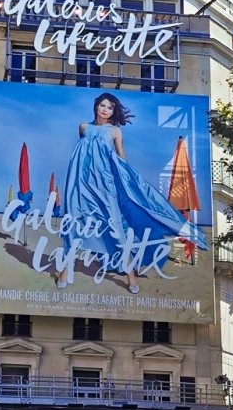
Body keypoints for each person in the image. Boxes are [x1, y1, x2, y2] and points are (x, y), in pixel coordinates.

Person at [56, 93, 208, 295]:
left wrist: (132, 182)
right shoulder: (84, 127)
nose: (105, 110)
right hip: (80, 185)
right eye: (102, 105)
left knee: (115, 229)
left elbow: (121, 159)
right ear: (96, 106)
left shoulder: (115, 132)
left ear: (113, 111)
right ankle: (66, 271)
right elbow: (83, 158)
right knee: (75, 225)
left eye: (109, 107)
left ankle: (130, 276)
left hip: (105, 187)